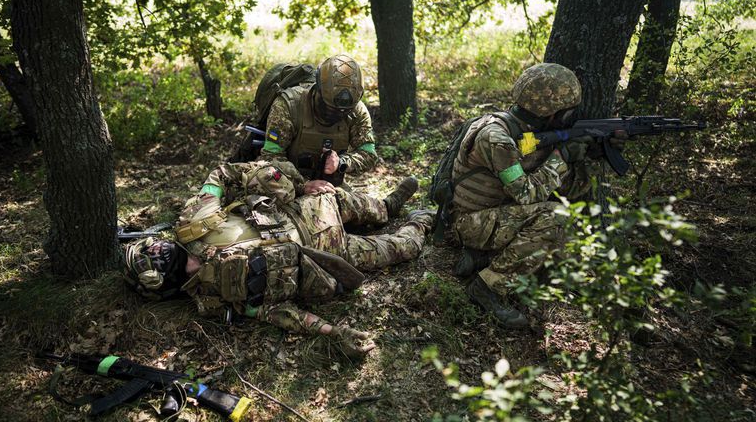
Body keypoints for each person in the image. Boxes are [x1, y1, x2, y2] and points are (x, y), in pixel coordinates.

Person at [124, 161, 433, 356]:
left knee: (372, 209)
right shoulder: (215, 295)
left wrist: (299, 186)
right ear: (161, 283)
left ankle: (388, 205)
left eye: (149, 248)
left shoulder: (193, 223)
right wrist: (333, 332)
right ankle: (423, 222)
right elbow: (276, 313)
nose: (156, 251)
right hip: (328, 256)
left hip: (310, 209)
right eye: (150, 260)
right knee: (402, 248)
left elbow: (222, 173)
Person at [448, 63, 625, 329]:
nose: (570, 117)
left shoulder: (526, 134)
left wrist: (591, 156)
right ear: (551, 113)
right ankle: (487, 287)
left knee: (568, 231)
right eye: (568, 112)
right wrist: (561, 157)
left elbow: (566, 190)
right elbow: (526, 195)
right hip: (468, 223)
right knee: (556, 216)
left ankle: (482, 258)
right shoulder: (497, 138)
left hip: (492, 217)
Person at [259, 54, 378, 189]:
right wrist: (303, 185)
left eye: (345, 111)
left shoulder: (357, 111)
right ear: (318, 91)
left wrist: (341, 162)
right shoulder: (289, 105)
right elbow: (271, 157)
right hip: (286, 183)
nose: (337, 114)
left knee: (354, 202)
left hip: (328, 185)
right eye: (330, 108)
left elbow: (369, 154)